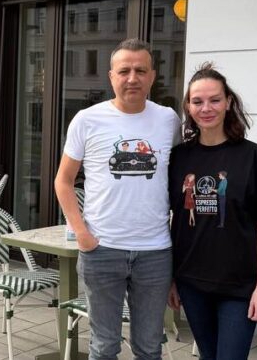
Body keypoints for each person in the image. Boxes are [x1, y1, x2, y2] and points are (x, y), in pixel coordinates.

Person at [55, 38, 181, 360]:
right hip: (102, 250)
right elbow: (64, 181)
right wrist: (82, 234)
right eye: (124, 70)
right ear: (111, 76)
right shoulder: (86, 120)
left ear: (152, 76)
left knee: (150, 347)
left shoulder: (169, 120)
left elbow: (179, 185)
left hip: (155, 252)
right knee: (103, 345)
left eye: (141, 70)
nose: (132, 78)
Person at [167, 63, 257, 360]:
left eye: (214, 100)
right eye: (197, 101)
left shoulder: (254, 157)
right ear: (188, 106)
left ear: (228, 103)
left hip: (239, 287)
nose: (206, 108)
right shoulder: (178, 158)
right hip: (192, 283)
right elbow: (173, 221)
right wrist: (172, 278)